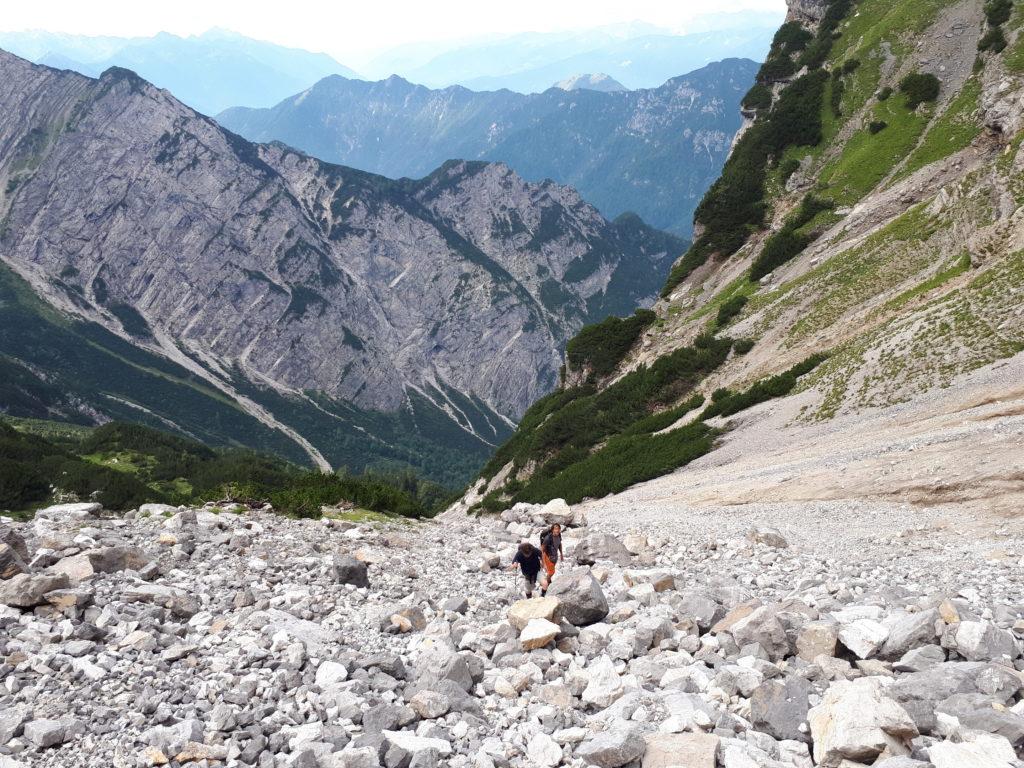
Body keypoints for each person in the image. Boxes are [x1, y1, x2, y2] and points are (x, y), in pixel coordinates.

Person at [539, 523, 563, 596]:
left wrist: (561, 554)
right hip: (548, 556)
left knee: (550, 571)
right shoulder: (548, 538)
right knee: (551, 572)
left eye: (558, 530)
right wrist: (543, 562)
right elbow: (542, 550)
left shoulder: (559, 535)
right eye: (555, 530)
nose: (557, 532)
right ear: (552, 530)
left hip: (554, 556)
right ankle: (544, 589)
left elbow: (559, 544)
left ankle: (548, 582)